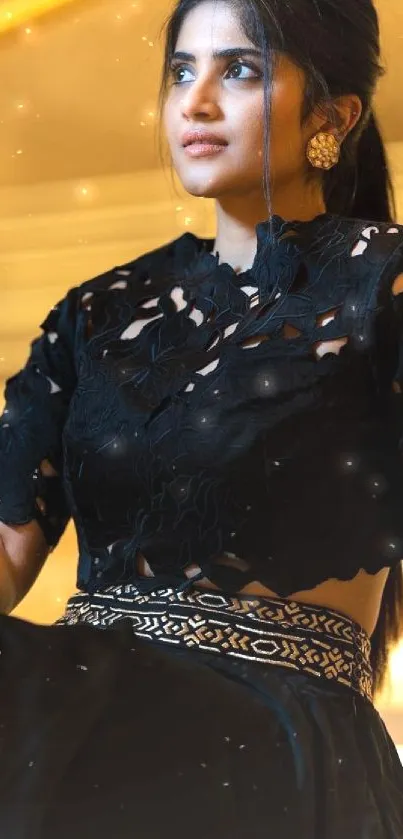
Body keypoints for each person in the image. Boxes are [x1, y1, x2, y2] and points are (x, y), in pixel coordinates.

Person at [1, 0, 403, 836]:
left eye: (241, 70)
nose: (197, 101)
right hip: (83, 706)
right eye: (182, 71)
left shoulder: (383, 286)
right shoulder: (96, 315)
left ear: (331, 116)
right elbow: (8, 550)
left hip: (264, 732)